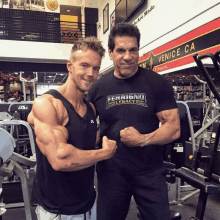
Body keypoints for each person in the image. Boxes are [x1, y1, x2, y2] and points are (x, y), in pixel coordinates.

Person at [87, 23, 181, 220]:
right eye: (121, 50)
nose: (128, 56)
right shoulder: (98, 87)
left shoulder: (157, 83)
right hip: (111, 172)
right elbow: (84, 125)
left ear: (139, 51)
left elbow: (173, 128)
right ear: (111, 53)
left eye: (133, 50)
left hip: (150, 172)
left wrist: (143, 139)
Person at [27, 36, 117, 220]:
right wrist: (105, 153)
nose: (90, 73)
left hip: (88, 205)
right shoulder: (47, 104)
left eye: (96, 68)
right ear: (70, 66)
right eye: (84, 65)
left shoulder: (90, 108)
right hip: (58, 212)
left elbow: (84, 143)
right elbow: (60, 159)